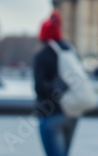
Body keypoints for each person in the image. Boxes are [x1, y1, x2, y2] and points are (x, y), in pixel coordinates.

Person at [33, 10, 79, 156]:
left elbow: (39, 87)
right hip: (71, 113)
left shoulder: (41, 56)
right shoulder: (69, 52)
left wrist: (54, 94)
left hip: (51, 114)